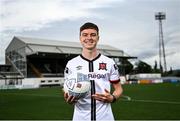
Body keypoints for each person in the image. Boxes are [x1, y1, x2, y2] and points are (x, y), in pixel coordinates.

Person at [64, 22, 123, 121]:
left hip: (105, 117)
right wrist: (68, 99)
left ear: (98, 38)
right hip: (80, 117)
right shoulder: (71, 64)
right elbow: (66, 88)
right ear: (80, 38)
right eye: (85, 35)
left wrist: (112, 98)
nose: (89, 38)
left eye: (93, 35)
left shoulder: (109, 62)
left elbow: (119, 89)